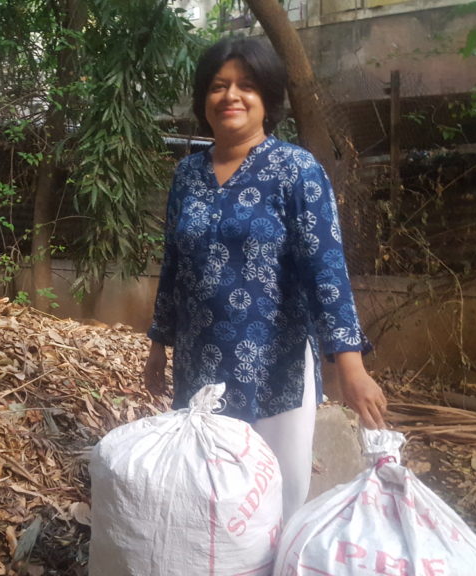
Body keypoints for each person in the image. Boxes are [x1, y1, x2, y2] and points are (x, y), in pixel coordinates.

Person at [143, 36, 387, 521]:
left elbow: (326, 269)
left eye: (246, 86)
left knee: (272, 498)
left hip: (275, 369)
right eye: (218, 86)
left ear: (267, 99)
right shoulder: (187, 176)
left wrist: (351, 366)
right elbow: (173, 266)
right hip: (198, 366)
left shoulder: (296, 171)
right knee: (205, 495)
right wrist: (158, 345)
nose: (231, 96)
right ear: (203, 99)